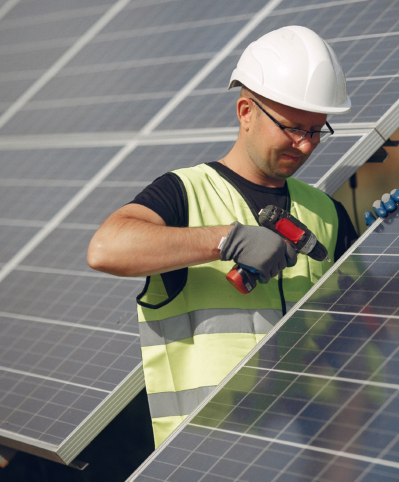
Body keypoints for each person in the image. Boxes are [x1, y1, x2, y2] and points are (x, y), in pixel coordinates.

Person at [87, 26, 359, 446]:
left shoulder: (328, 213)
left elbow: (366, 325)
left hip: (301, 452)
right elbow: (106, 248)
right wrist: (225, 240)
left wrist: (395, 234)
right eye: (291, 128)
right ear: (246, 111)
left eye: (316, 131)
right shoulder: (185, 193)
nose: (304, 145)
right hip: (202, 455)